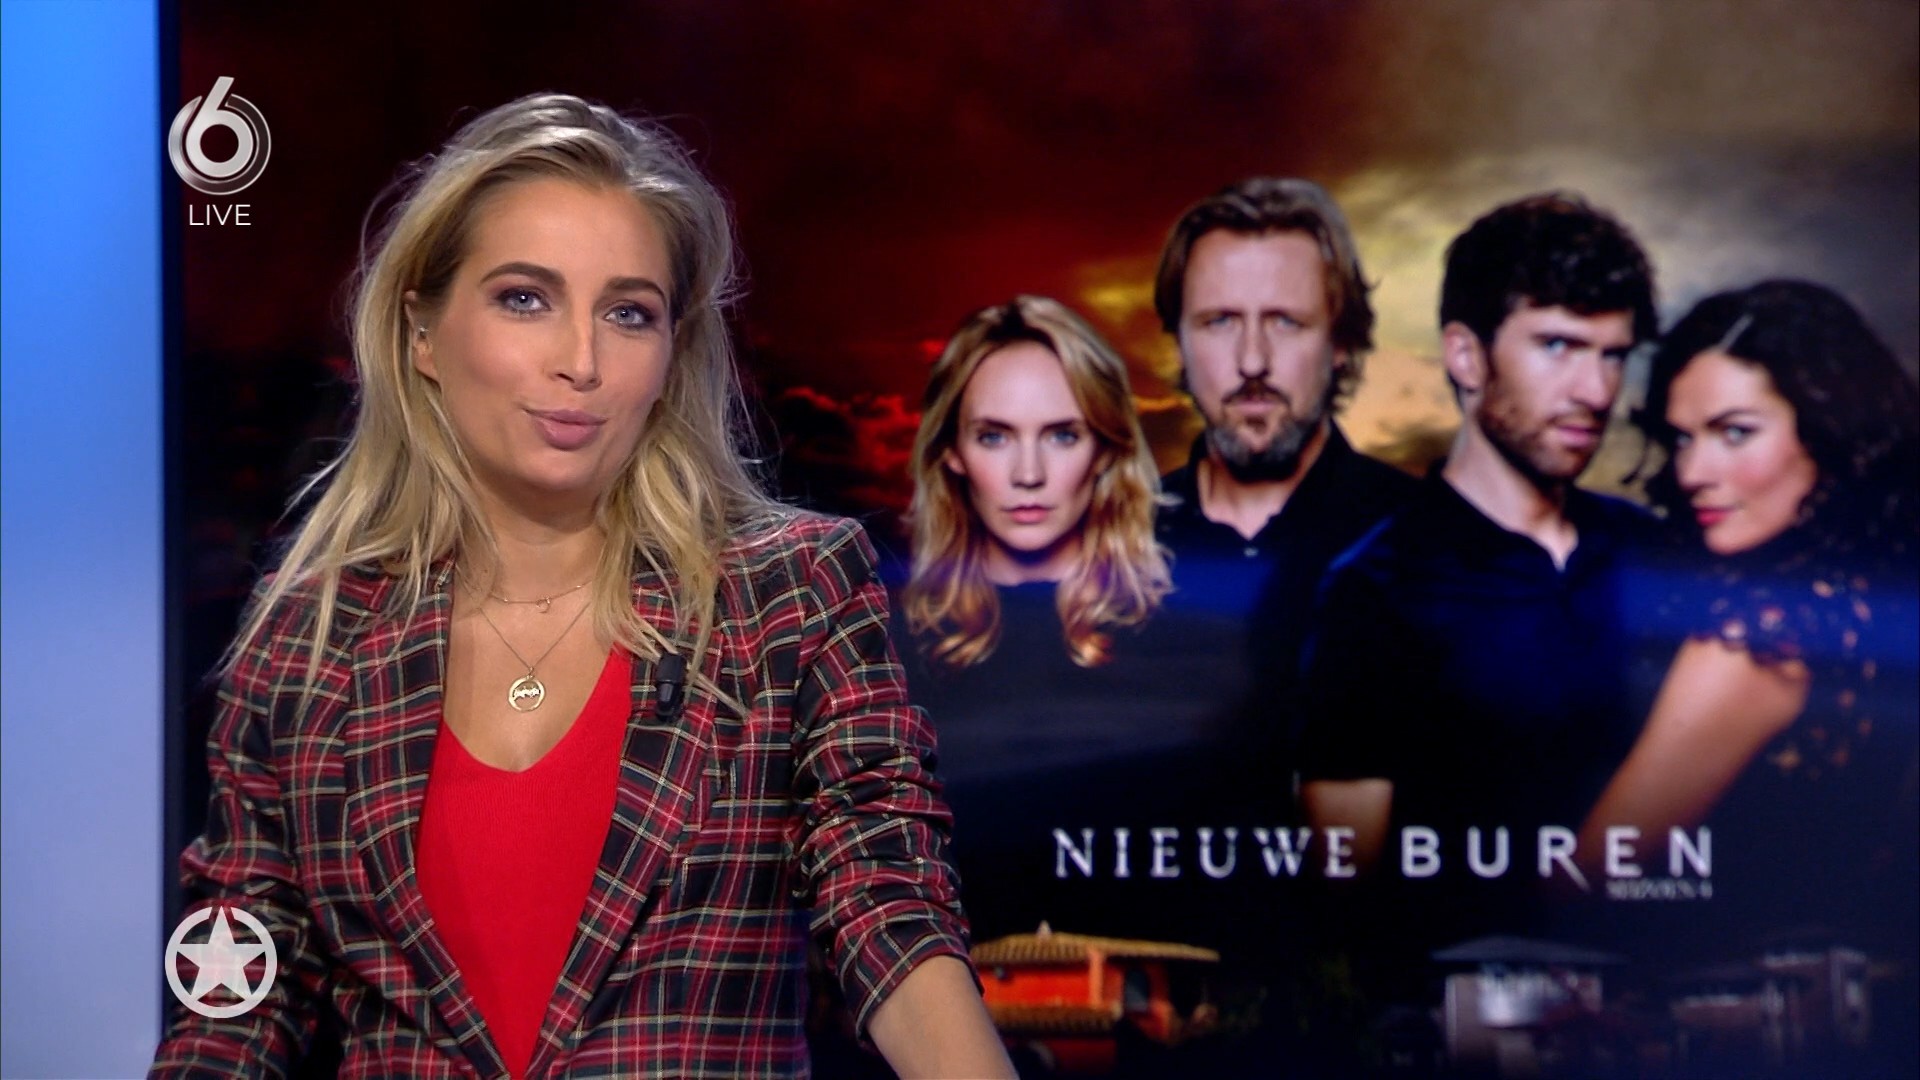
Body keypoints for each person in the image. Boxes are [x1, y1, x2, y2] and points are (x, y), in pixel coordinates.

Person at [151, 94, 1013, 1080]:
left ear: (671, 355)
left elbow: (888, 909)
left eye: (628, 313)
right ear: (422, 332)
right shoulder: (310, 638)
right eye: (526, 299)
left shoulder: (787, 595)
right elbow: (238, 1000)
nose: (581, 362)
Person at [1297, 193, 1659, 898]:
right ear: (1466, 355)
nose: (1595, 391)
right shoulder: (1375, 591)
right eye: (1557, 346)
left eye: (1613, 356)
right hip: (1467, 966)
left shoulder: (1657, 551)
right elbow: (1344, 895)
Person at [1578, 281, 1918, 948]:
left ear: (1829, 431)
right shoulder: (1865, 611)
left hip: (1683, 992)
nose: (1693, 472)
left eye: (1735, 433)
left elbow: (1586, 884)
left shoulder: (1751, 643)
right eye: (1682, 439)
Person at [1149, 178, 1417, 775]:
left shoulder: (1429, 542)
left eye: (1286, 322)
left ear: (1341, 342)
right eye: (1219, 321)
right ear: (1179, 341)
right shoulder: (1109, 544)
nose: (1252, 361)